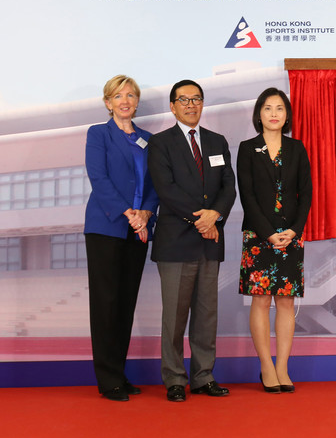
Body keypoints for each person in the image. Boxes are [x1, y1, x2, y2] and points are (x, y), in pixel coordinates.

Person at [148, 79, 237, 402]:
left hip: (210, 241)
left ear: (202, 104)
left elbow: (229, 186)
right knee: (174, 315)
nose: (190, 104)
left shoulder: (217, 141)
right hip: (176, 242)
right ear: (172, 107)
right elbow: (166, 189)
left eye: (196, 99)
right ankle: (174, 378)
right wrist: (203, 220)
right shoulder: (160, 143)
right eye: (183, 100)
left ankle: (203, 376)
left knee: (206, 314)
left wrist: (215, 215)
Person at [84, 75, 159, 402]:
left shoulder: (148, 139)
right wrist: (129, 213)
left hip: (139, 229)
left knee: (126, 303)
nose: (125, 100)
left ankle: (119, 372)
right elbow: (98, 179)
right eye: (118, 96)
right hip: (107, 226)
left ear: (137, 102)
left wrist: (146, 213)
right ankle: (108, 378)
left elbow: (156, 184)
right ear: (108, 102)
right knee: (106, 304)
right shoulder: (98, 134)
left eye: (130, 95)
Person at [237, 88, 312, 393]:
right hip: (258, 235)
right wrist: (268, 232)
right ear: (259, 114)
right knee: (261, 299)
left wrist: (294, 230)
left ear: (286, 115)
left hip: (291, 235)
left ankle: (282, 367)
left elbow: (305, 193)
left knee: (285, 301)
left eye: (279, 109)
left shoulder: (297, 148)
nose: (273, 114)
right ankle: (266, 367)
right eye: (267, 108)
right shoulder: (247, 148)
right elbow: (248, 195)